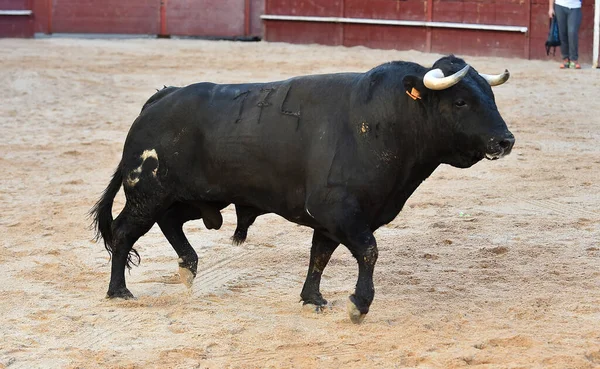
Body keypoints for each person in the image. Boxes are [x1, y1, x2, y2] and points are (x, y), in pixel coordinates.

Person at [549, 0, 582, 69]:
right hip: (560, 6)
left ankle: (574, 59)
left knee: (572, 32)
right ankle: (565, 59)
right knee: (562, 33)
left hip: (575, 6)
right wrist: (551, 8)